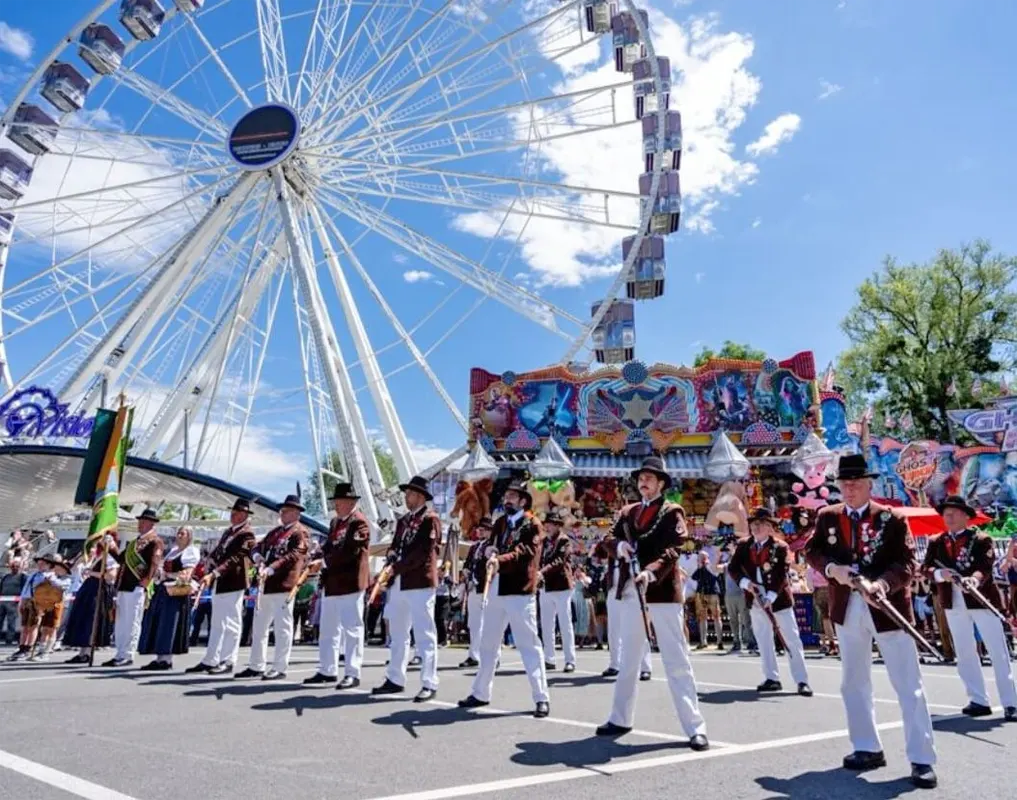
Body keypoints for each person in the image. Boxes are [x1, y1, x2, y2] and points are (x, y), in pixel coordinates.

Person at [805, 454, 936, 789]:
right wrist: (832, 570)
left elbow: (907, 563)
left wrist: (882, 585)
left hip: (886, 607)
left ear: (868, 484)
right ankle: (866, 747)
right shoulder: (827, 517)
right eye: (843, 484)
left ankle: (922, 758)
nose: (847, 489)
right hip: (847, 606)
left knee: (908, 684)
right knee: (853, 681)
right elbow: (813, 552)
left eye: (854, 483)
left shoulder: (891, 519)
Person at [594, 456, 709, 751]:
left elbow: (674, 550)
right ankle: (620, 717)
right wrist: (618, 546)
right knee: (628, 658)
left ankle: (695, 726)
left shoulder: (672, 511)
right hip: (632, 591)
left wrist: (651, 571)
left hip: (662, 592)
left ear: (660, 483)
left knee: (676, 659)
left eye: (650, 477)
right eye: (641, 477)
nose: (643, 481)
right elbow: (607, 538)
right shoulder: (627, 511)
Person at [458, 480, 550, 718]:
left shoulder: (533, 524)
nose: (507, 499)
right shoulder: (500, 523)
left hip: (519, 590)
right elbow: (492, 545)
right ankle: (480, 692)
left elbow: (525, 552)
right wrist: (490, 551)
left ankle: (541, 697)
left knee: (529, 645)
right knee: (488, 643)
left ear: (523, 501)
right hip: (496, 587)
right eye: (506, 495)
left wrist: (501, 559)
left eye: (512, 496)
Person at [922, 495, 1017, 721]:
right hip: (952, 599)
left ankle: (1011, 702)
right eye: (946, 513)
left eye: (954, 512)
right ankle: (977, 699)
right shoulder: (936, 541)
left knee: (997, 651)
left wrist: (973, 580)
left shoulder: (982, 539)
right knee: (964, 651)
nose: (950, 517)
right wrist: (939, 574)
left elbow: (984, 567)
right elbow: (925, 567)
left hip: (981, 599)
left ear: (966, 516)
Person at [372, 476, 441, 702]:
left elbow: (422, 552)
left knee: (424, 633)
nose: (406, 497)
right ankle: (395, 678)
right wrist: (391, 556)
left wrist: (397, 566)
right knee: (398, 633)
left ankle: (429, 682)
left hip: (419, 581)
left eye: (409, 494)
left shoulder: (430, 519)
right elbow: (396, 544)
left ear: (420, 496)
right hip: (400, 581)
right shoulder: (403, 521)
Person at [729, 509, 812, 696]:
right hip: (755, 597)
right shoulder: (744, 545)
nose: (756, 527)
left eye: (761, 524)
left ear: (770, 527)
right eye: (753, 524)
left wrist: (771, 597)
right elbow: (733, 568)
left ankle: (801, 680)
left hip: (778, 599)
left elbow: (782, 575)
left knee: (791, 639)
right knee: (763, 640)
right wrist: (745, 583)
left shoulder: (780, 547)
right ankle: (771, 678)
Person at [305, 483, 370, 689]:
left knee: (352, 629)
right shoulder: (335, 523)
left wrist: (323, 562)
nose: (335, 505)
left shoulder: (359, 523)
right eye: (335, 502)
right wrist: (315, 557)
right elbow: (329, 547)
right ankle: (327, 669)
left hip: (350, 582)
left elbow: (350, 552)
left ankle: (352, 672)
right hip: (332, 583)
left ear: (350, 502)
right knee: (329, 629)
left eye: (339, 502)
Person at [188, 498, 257, 675]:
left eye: (236, 513)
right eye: (232, 512)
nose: (233, 515)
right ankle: (211, 659)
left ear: (244, 515)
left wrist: (215, 572)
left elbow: (236, 559)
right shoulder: (228, 532)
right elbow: (219, 551)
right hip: (220, 581)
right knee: (217, 623)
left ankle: (228, 660)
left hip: (234, 581)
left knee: (232, 622)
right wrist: (209, 562)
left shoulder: (247, 534)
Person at [105, 509, 164, 667]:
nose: (140, 524)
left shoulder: (154, 541)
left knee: (132, 622)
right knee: (121, 621)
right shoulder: (134, 543)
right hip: (124, 585)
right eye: (140, 521)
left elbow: (154, 563)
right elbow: (121, 558)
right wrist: (111, 546)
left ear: (152, 523)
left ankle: (128, 654)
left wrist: (146, 581)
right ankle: (119, 653)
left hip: (136, 586)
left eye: (144, 521)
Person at [594, 529, 653, 681]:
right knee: (614, 629)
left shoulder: (641, 536)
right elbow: (601, 549)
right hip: (614, 588)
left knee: (639, 627)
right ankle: (615, 664)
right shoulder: (613, 540)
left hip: (633, 585)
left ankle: (645, 667)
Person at [139, 527, 201, 670]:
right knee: (160, 623)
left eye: (182, 533)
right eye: (178, 533)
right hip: (163, 590)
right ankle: (160, 657)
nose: (179, 535)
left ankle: (166, 659)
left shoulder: (191, 552)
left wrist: (167, 575)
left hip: (176, 592)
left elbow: (186, 575)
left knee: (170, 624)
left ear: (189, 536)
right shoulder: (173, 551)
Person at [62, 539, 118, 663]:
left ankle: (86, 652)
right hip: (88, 589)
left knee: (91, 620)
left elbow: (111, 576)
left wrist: (92, 573)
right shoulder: (96, 558)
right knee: (82, 619)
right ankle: (82, 651)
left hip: (97, 590)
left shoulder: (108, 558)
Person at [539, 510, 577, 673]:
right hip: (545, 587)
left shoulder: (564, 541)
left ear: (557, 526)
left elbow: (560, 561)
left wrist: (542, 571)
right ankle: (549, 658)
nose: (547, 527)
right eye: (546, 524)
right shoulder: (543, 542)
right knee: (547, 625)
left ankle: (570, 660)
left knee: (565, 624)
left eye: (550, 525)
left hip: (561, 586)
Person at [19, 555, 73, 661]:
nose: (57, 569)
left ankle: (46, 651)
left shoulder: (65, 579)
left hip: (56, 604)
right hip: (44, 603)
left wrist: (52, 579)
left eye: (60, 568)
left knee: (51, 629)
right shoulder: (42, 575)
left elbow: (62, 588)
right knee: (44, 628)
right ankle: (40, 650)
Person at [459, 517, 493, 668]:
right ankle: (473, 654)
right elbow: (468, 563)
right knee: (473, 623)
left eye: (483, 529)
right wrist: (465, 571)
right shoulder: (474, 547)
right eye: (479, 529)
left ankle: (487, 654)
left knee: (486, 624)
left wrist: (479, 579)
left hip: (485, 588)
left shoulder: (491, 546)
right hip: (472, 588)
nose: (480, 532)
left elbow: (489, 568)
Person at [718, 542, 755, 653]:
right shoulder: (726, 565)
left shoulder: (741, 563)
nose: (730, 550)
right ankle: (736, 641)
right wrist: (717, 554)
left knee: (746, 620)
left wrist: (735, 553)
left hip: (741, 594)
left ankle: (751, 642)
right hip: (729, 595)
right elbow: (715, 568)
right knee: (733, 620)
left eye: (733, 547)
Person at [691, 551, 724, 650]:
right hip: (701, 593)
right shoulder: (700, 568)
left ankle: (720, 641)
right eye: (699, 558)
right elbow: (694, 577)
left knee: (716, 616)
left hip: (712, 593)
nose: (699, 560)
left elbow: (714, 574)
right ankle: (703, 641)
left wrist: (705, 565)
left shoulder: (711, 566)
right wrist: (699, 567)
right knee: (702, 617)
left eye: (701, 558)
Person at [806, 561, 837, 656]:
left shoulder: (810, 570)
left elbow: (810, 587)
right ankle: (835, 644)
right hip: (831, 590)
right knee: (836, 618)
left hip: (819, 592)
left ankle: (832, 644)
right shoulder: (827, 566)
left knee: (825, 619)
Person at [0, 558, 27, 646]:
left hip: (14, 603)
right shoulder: (6, 576)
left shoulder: (23, 577)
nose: (15, 568)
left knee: (11, 621)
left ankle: (9, 639)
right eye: (13, 566)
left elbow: (24, 589)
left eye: (17, 566)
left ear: (21, 567)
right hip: (3, 601)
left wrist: (21, 601)